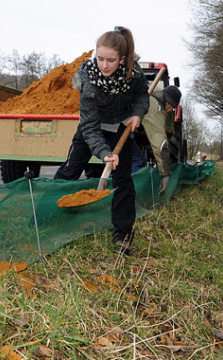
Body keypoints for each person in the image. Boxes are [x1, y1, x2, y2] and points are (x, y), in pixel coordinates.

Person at [54, 26, 150, 255]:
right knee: (69, 171)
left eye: (111, 60)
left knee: (123, 181)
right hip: (92, 128)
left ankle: (122, 235)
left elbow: (141, 95)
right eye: (100, 59)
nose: (104, 65)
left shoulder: (133, 74)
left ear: (123, 59)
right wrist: (104, 152)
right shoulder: (88, 79)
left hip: (121, 127)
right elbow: (88, 126)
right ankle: (49, 219)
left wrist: (138, 113)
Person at [141, 85, 182, 195]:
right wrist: (166, 174)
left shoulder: (153, 96)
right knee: (138, 162)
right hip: (121, 131)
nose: (171, 110)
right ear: (167, 102)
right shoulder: (155, 108)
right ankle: (140, 194)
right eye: (172, 106)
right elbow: (161, 145)